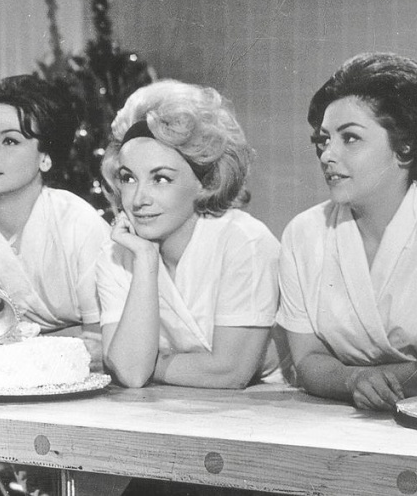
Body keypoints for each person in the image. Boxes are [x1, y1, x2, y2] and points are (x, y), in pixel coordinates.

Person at [277, 52, 417, 411]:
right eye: (323, 140)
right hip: (325, 418)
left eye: (350, 138)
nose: (326, 155)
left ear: (405, 146)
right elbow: (306, 359)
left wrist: (351, 376)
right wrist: (352, 380)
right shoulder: (303, 233)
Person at [97, 79, 281, 389]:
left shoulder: (244, 241)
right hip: (169, 405)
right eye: (128, 178)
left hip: (269, 405)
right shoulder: (118, 254)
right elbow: (130, 373)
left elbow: (230, 372)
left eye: (161, 179)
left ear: (205, 182)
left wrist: (147, 362)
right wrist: (146, 260)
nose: (139, 199)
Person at [0, 74, 109, 362]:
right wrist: (64, 336)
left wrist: (8, 342)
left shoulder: (79, 224)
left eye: (10, 141)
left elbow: (101, 345)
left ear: (45, 157)